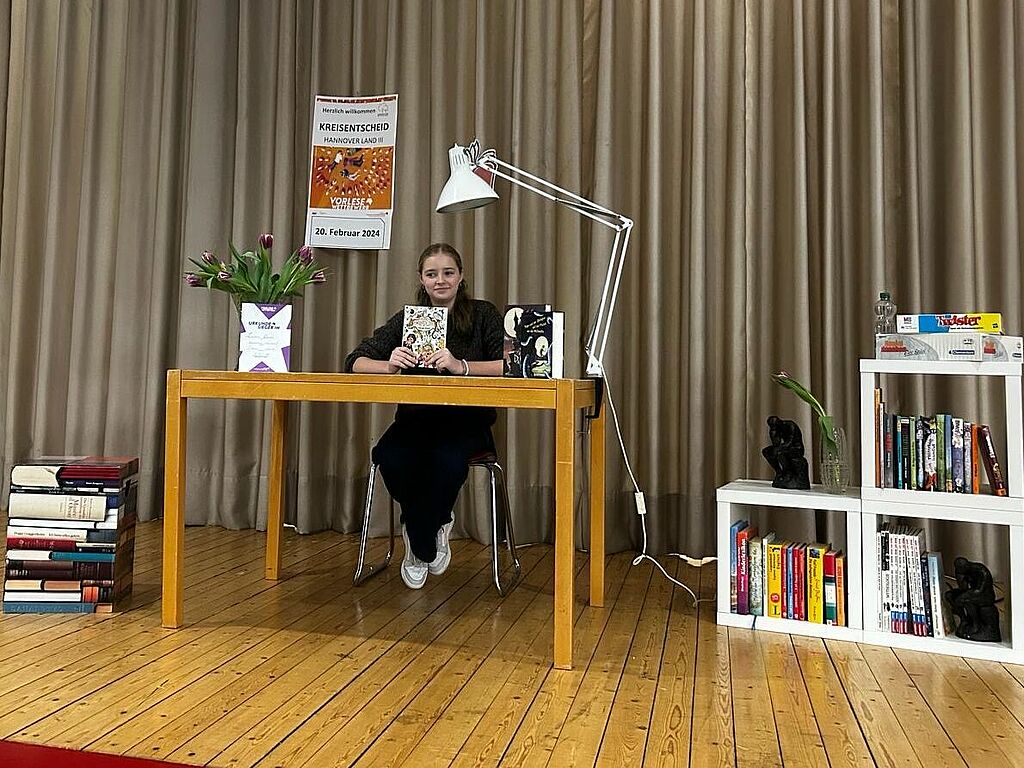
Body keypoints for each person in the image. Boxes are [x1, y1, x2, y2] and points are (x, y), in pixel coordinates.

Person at [345, 243, 504, 589]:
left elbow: (510, 365)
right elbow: (354, 361)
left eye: (448, 273)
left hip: (467, 422)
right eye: (432, 274)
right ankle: (429, 527)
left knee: (447, 461)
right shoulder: (409, 319)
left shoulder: (483, 314)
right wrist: (388, 365)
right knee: (388, 457)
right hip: (415, 421)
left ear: (461, 277)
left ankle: (420, 540)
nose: (440, 280)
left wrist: (461, 366)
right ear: (421, 279)